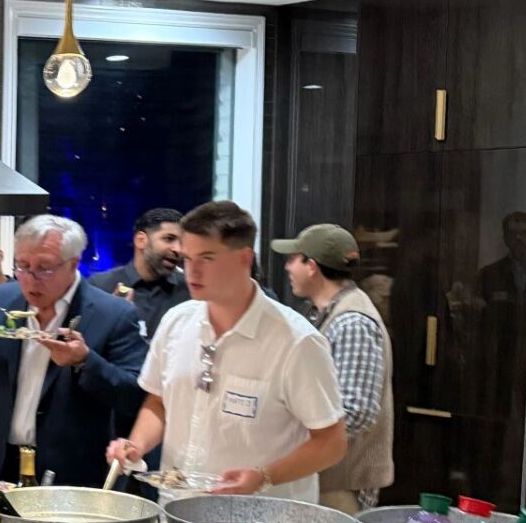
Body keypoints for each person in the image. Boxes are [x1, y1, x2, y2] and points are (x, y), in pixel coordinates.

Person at [107, 201, 347, 501]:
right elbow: (159, 401)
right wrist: (137, 445)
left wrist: (264, 476)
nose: (192, 270)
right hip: (177, 510)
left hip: (261, 518)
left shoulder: (297, 342)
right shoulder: (176, 322)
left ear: (244, 259)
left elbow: (332, 443)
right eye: (188, 258)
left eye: (207, 258)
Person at [0, 214, 146, 487]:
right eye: (22, 266)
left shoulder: (113, 314)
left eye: (44, 268)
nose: (30, 279)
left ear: (73, 264)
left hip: (69, 472)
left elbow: (133, 396)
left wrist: (85, 361)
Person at [274, 223, 394, 516]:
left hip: (340, 485)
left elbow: (356, 412)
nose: (287, 267)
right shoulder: (326, 313)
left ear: (312, 266)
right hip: (325, 478)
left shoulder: (352, 322)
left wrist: (286, 426)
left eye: (293, 259)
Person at [90, 207, 188, 342]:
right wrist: (112, 319)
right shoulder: (100, 287)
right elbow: (88, 346)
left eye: (182, 243)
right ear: (141, 240)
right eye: (169, 239)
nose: (178, 249)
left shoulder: (189, 291)